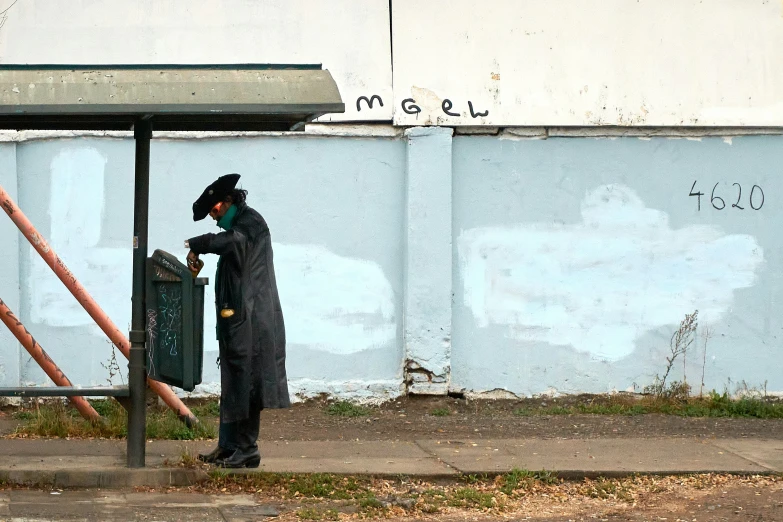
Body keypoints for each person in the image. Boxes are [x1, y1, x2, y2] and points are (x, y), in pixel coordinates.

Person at [185, 173, 290, 468]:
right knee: (233, 381)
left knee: (248, 382)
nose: (215, 220)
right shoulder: (242, 222)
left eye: (215, 211)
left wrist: (199, 243)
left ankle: (247, 449)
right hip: (238, 319)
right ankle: (228, 445)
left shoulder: (250, 223)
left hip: (253, 320)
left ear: (228, 202)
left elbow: (232, 242)